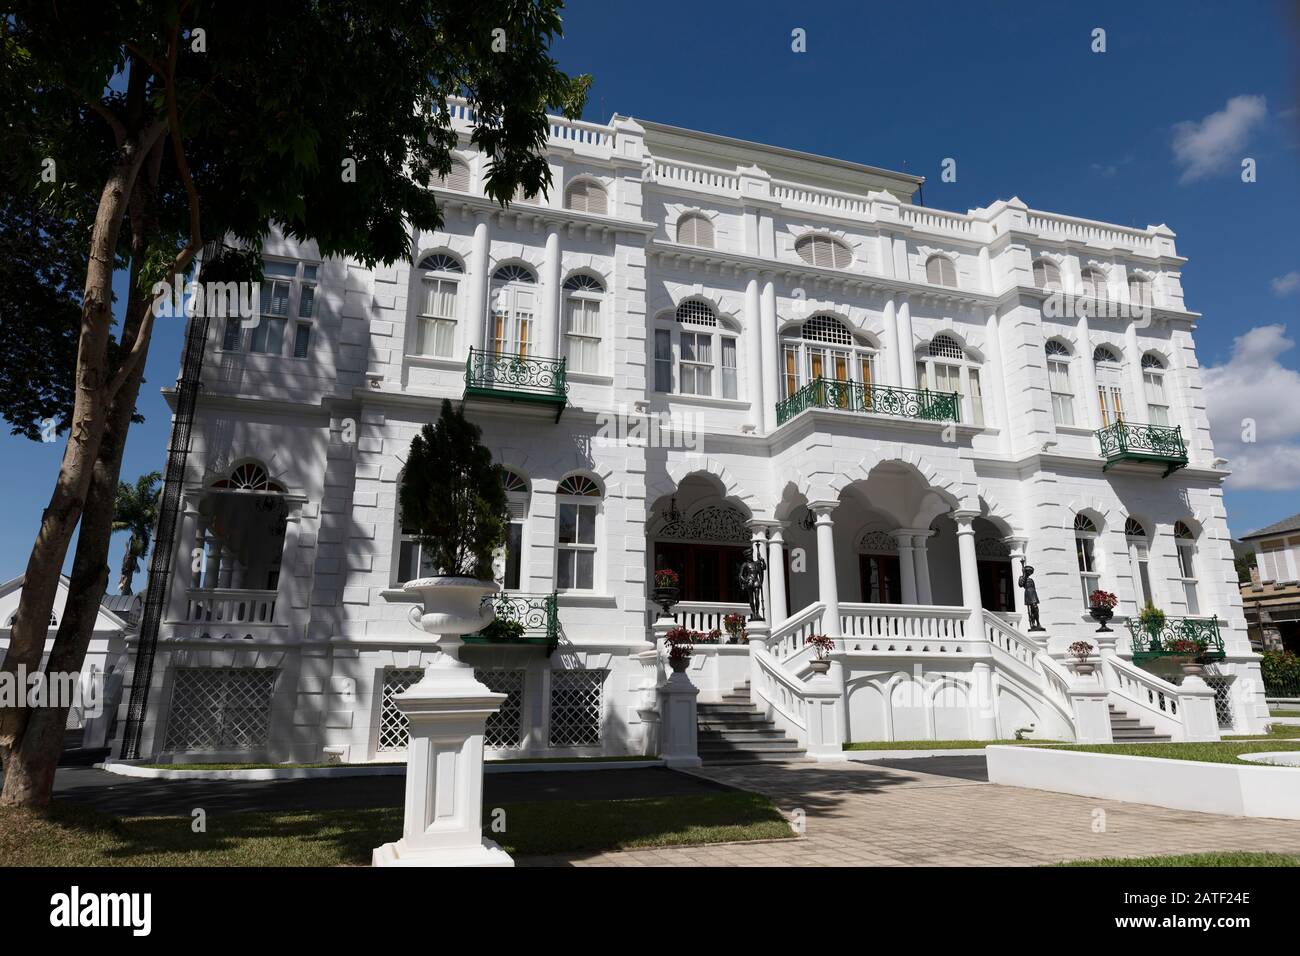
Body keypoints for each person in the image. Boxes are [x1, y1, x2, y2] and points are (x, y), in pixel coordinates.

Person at [1019, 559, 1044, 631]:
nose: (1029, 573)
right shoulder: (1022, 578)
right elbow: (1021, 584)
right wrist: (1023, 575)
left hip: (1033, 594)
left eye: (1030, 572)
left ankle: (1038, 622)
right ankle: (1032, 623)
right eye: (1028, 572)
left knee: (1035, 608)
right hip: (1028, 594)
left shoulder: (1031, 580)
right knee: (1032, 608)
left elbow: (1034, 588)